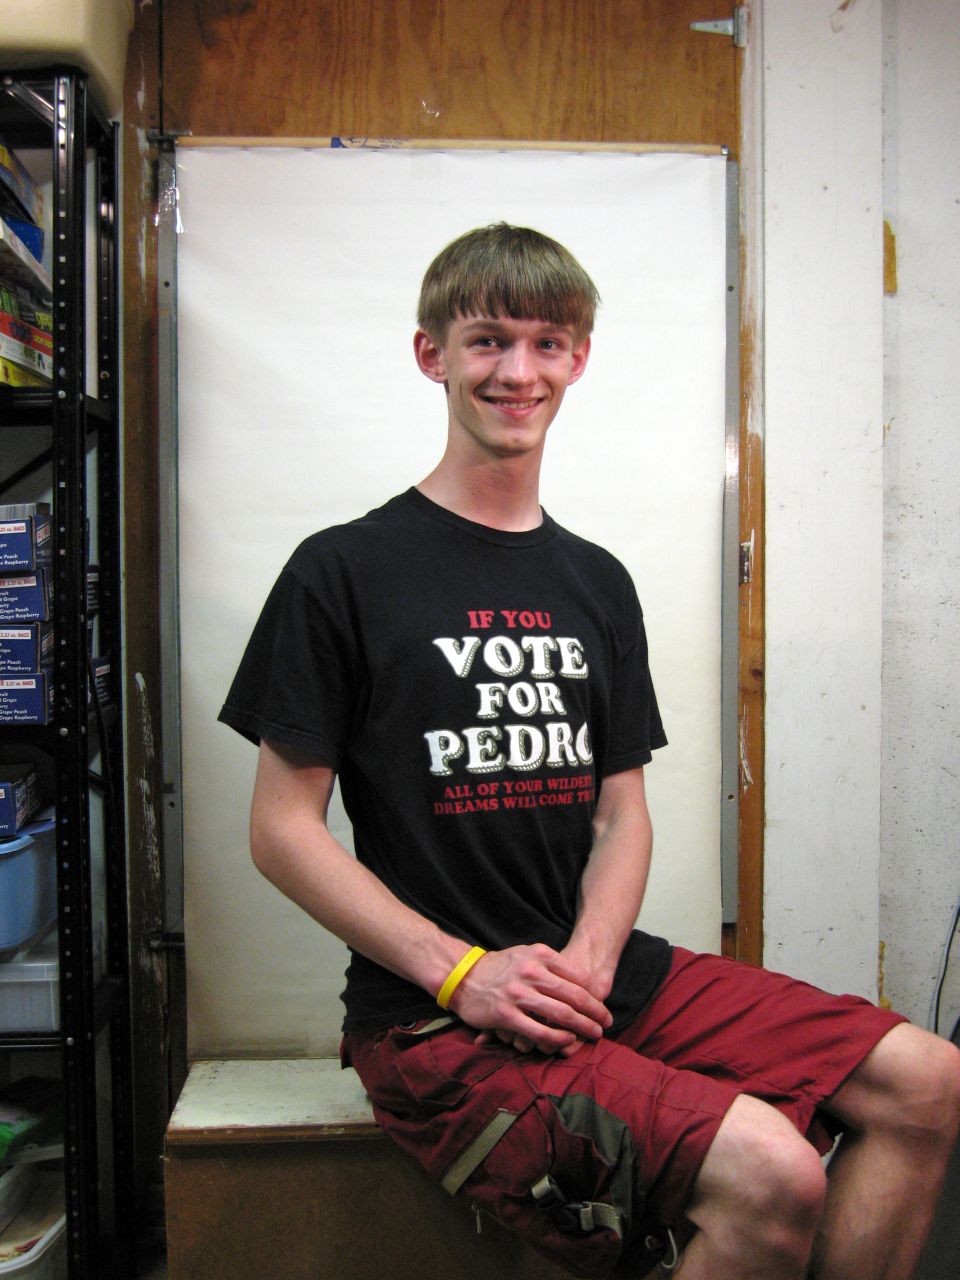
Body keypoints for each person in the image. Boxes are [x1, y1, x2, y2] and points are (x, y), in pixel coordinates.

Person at [219, 222, 960, 1279]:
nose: (517, 372)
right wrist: (463, 972)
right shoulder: (340, 570)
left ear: (579, 359)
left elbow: (622, 811)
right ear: (432, 354)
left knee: (927, 1079)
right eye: (487, 340)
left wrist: (593, 965)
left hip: (597, 974)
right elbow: (282, 830)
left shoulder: (596, 580)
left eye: (546, 343)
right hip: (430, 1021)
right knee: (777, 1174)